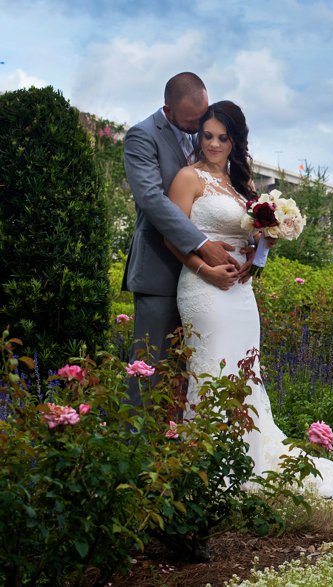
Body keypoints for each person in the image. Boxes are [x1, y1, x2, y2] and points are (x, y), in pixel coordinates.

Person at [165, 100, 333, 498]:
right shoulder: (187, 178)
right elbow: (171, 236)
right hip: (203, 289)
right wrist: (205, 269)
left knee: (245, 376)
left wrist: (261, 247)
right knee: (211, 369)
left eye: (222, 138)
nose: (212, 144)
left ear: (234, 141)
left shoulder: (239, 185)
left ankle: (246, 460)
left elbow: (254, 237)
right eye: (207, 136)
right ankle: (208, 469)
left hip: (242, 295)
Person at [122, 72, 246, 405]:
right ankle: (136, 448)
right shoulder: (141, 137)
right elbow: (152, 199)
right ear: (168, 109)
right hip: (160, 270)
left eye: (203, 118)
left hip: (206, 284)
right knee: (151, 369)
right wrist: (202, 246)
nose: (202, 131)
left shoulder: (205, 135)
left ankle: (179, 445)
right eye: (194, 123)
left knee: (195, 370)